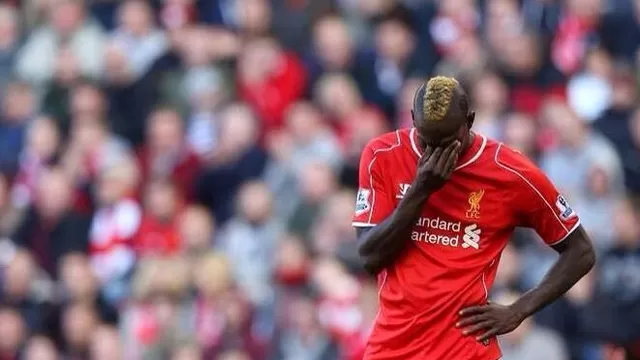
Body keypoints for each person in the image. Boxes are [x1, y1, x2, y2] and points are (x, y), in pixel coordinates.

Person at [353, 76, 596, 360]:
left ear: (470, 120)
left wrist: (518, 310)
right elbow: (369, 257)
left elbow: (581, 250)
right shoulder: (383, 155)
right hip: (393, 347)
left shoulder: (511, 173)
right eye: (427, 141)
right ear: (412, 120)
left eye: (447, 142)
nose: (436, 154)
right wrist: (420, 191)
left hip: (465, 350)